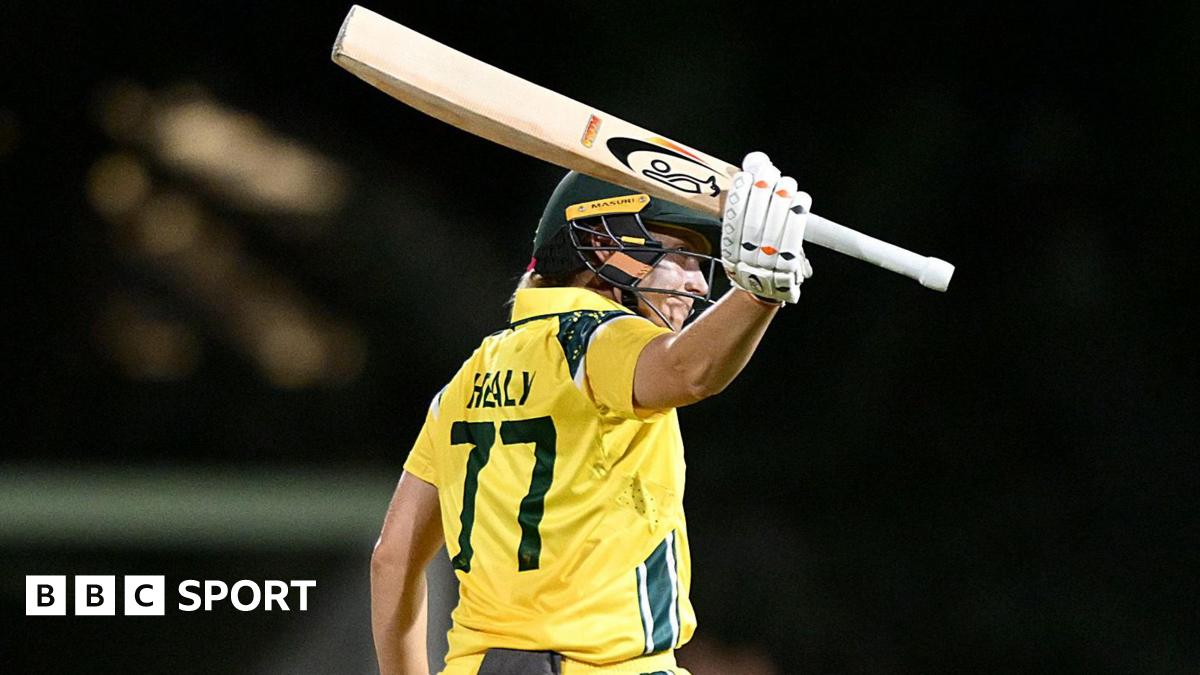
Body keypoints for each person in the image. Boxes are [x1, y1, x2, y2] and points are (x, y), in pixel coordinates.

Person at [371, 152, 813, 675]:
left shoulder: (463, 384)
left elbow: (392, 559)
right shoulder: (596, 338)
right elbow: (688, 371)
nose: (697, 285)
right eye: (681, 257)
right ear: (605, 246)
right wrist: (757, 292)